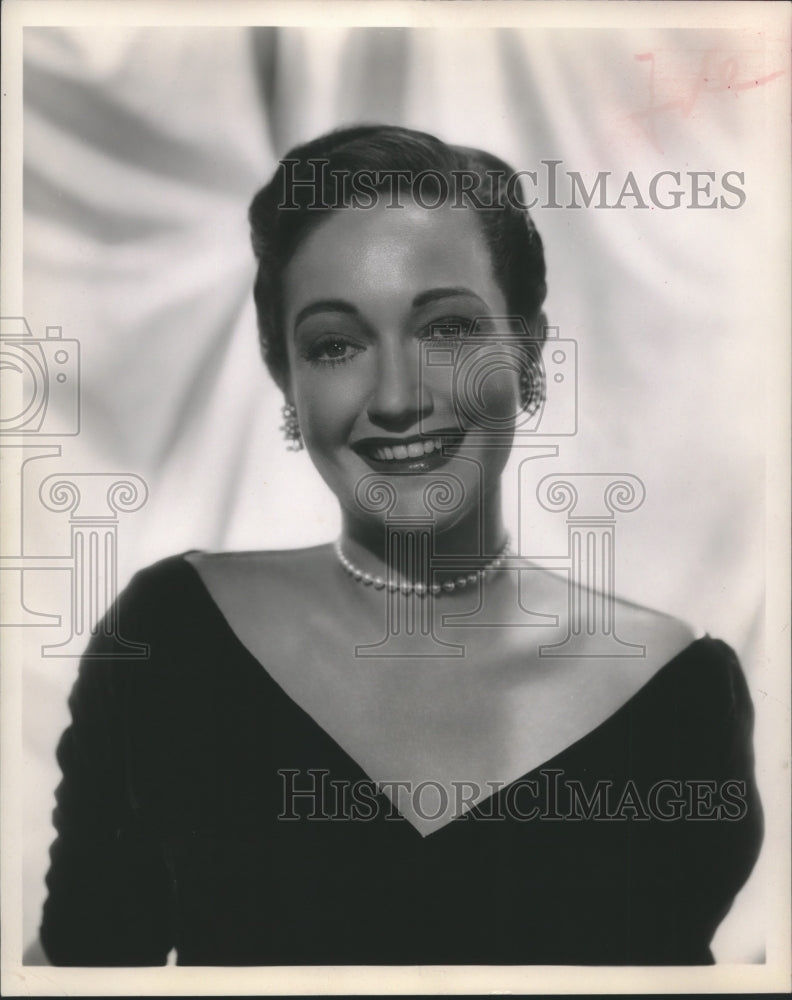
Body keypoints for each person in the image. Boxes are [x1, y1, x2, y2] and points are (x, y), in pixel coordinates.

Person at [39, 125, 763, 966]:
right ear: (287, 377)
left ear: (527, 348)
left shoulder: (674, 694)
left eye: (447, 329)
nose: (395, 396)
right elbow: (83, 967)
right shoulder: (172, 639)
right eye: (335, 345)